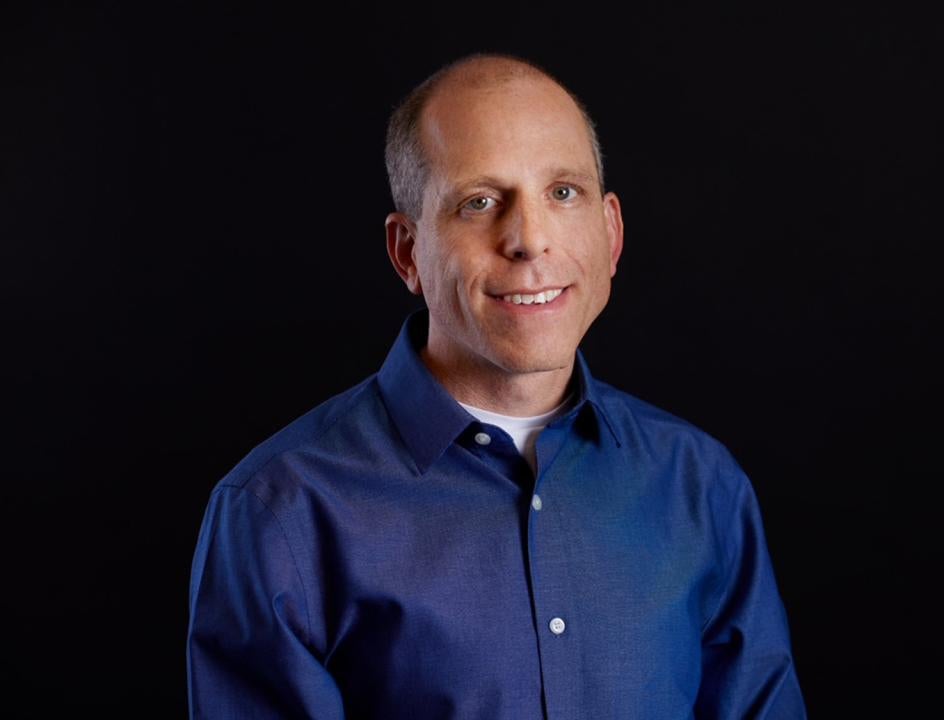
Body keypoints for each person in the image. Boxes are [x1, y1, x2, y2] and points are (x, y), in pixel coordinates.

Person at [186, 52, 807, 719]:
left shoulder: (701, 485)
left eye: (562, 193)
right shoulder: (282, 512)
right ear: (407, 252)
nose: (530, 240)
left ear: (611, 232)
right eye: (479, 203)